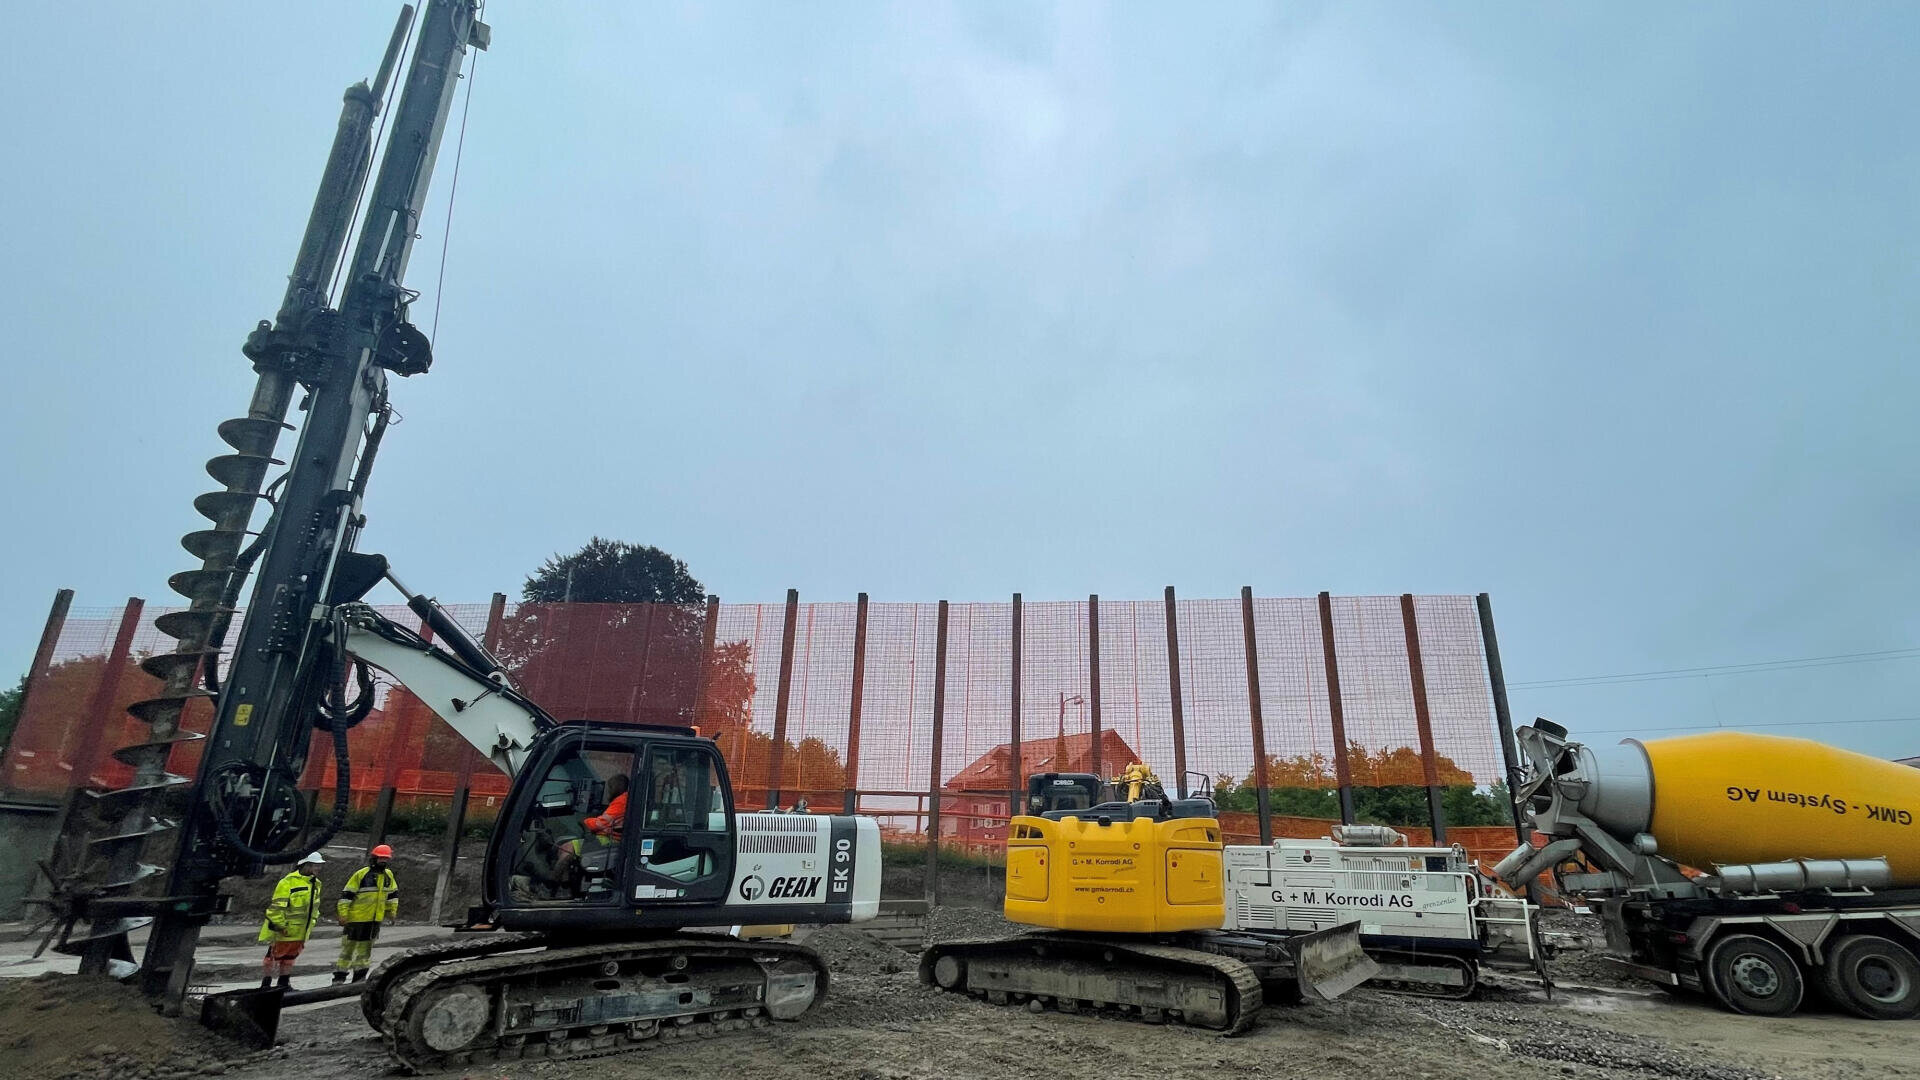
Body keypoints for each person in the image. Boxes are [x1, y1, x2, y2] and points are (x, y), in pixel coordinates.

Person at [333, 843, 401, 983]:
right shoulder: (362, 874)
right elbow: (346, 895)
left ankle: (359, 980)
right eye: (381, 858)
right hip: (356, 920)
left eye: (386, 858)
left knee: (365, 952)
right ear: (374, 858)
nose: (383, 861)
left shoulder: (388, 876)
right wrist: (343, 914)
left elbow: (392, 896)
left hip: (374, 921)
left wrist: (392, 912)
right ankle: (339, 979)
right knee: (348, 950)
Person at [259, 852, 324, 989]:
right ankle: (266, 985)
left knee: (290, 958)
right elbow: (277, 907)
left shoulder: (316, 884)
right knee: (273, 957)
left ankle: (283, 984)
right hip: (284, 930)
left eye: (319, 865)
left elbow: (314, 907)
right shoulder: (287, 882)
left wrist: (312, 923)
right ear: (306, 865)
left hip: (301, 930)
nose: (319, 868)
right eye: (316, 865)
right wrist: (280, 925)